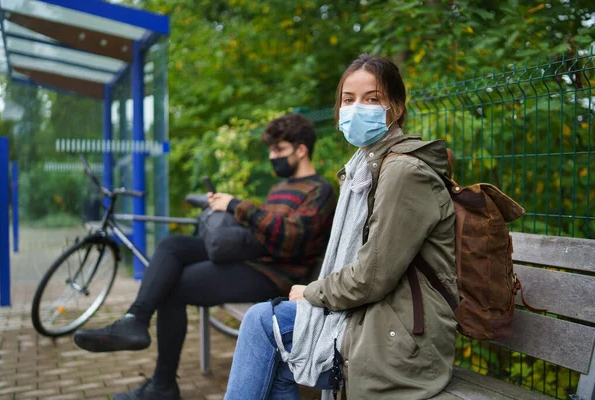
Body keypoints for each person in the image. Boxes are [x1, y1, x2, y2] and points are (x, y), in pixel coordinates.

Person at [224, 54, 458, 400]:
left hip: (403, 335)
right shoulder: (364, 167)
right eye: (348, 100)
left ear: (396, 107)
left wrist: (313, 292)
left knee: (262, 322)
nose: (356, 108)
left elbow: (372, 277)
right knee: (270, 331)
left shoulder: (403, 173)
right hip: (377, 315)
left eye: (372, 98)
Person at [72, 113, 337, 400]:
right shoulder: (280, 188)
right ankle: (135, 319)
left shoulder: (320, 190)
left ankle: (162, 386)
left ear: (301, 149)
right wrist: (228, 212)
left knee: (172, 287)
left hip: (276, 275)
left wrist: (236, 205)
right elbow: (265, 228)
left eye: (279, 150)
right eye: (271, 150)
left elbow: (291, 237)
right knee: (173, 246)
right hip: (255, 256)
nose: (272, 157)